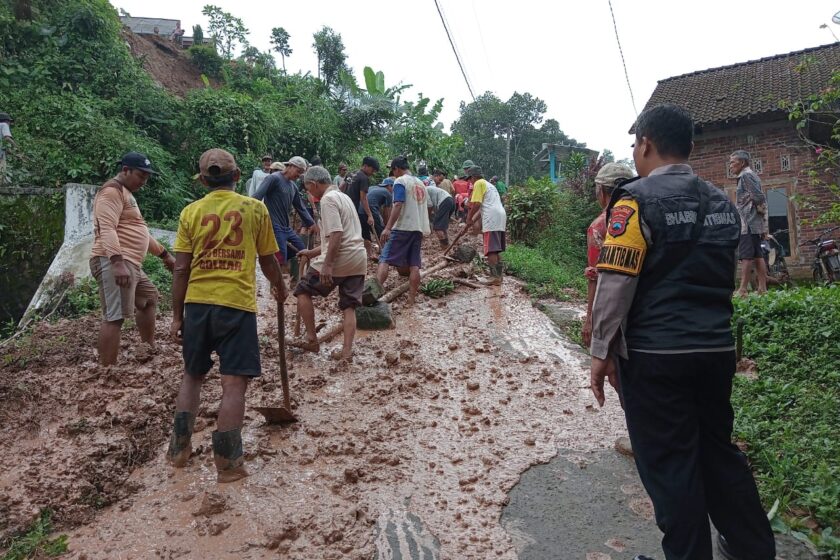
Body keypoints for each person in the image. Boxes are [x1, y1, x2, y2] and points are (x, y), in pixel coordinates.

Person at [589, 104, 775, 560]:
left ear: (646, 144)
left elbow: (616, 282)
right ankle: (754, 549)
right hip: (715, 351)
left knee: (672, 466)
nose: (634, 153)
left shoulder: (633, 203)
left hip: (657, 357)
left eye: (635, 144)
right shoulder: (720, 202)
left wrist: (601, 350)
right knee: (717, 452)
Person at [167, 148, 285, 483]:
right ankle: (228, 465)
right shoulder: (253, 208)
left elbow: (180, 270)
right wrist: (280, 286)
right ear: (237, 176)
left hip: (197, 305)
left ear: (203, 180)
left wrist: (177, 317)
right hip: (236, 306)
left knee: (192, 375)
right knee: (233, 384)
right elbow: (267, 260)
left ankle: (178, 451)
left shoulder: (191, 212)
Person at [89, 152, 175, 365]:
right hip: (116, 260)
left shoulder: (126, 193)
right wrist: (117, 263)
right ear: (125, 170)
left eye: (147, 177)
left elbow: (140, 231)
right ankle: (106, 370)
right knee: (114, 317)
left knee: (149, 298)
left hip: (130, 262)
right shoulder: (111, 191)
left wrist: (164, 255)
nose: (143, 182)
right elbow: (107, 228)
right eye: (140, 175)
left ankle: (147, 348)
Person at [292, 166, 367, 360]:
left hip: (341, 257)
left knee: (302, 290)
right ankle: (347, 352)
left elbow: (337, 234)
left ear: (314, 184)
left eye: (308, 188)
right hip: (358, 258)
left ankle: (311, 339)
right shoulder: (344, 197)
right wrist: (311, 252)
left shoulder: (327, 200)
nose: (308, 192)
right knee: (349, 306)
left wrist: (327, 264)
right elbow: (337, 237)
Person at [581, 163, 635, 348]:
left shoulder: (600, 226)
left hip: (612, 311)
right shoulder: (645, 216)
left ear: (602, 192)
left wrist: (590, 319)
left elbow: (595, 277)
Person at [376, 156, 430, 305]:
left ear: (396, 169)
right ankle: (411, 300)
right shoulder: (420, 183)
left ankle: (373, 297)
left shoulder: (400, 181)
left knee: (385, 258)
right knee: (414, 264)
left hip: (403, 227)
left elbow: (398, 204)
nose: (394, 175)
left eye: (393, 171)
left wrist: (387, 228)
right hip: (417, 228)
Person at [252, 155, 318, 268]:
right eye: (299, 171)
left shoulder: (293, 186)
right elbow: (256, 198)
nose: (299, 175)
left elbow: (300, 207)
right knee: (280, 258)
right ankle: (276, 284)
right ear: (291, 166)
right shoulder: (273, 178)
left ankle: (293, 279)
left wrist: (311, 223)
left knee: (302, 250)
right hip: (274, 226)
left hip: (286, 227)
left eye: (301, 173)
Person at [730, 150, 768, 296]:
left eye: (733, 162)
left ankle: (743, 289)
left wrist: (755, 216)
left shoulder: (746, 175)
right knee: (758, 255)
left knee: (746, 256)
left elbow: (758, 197)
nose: (731, 166)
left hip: (748, 222)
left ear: (742, 163)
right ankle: (762, 288)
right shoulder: (749, 175)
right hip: (753, 222)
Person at [464, 166, 507, 285]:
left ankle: (494, 277)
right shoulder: (490, 185)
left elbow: (476, 204)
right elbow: (481, 209)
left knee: (491, 249)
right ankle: (499, 276)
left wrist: (468, 218)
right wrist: (471, 220)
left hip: (491, 218)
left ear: (473, 177)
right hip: (500, 215)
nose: (470, 182)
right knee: (496, 249)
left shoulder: (478, 183)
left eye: (469, 179)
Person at [345, 156, 380, 259]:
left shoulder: (351, 173)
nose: (373, 172)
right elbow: (363, 198)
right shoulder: (364, 178)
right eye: (372, 170)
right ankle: (365, 254)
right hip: (353, 209)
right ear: (365, 166)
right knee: (361, 231)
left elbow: (342, 187)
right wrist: (370, 215)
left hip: (344, 206)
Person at [426, 180, 455, 248]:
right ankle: (446, 244)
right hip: (450, 200)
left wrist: (427, 217)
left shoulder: (424, 190)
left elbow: (430, 206)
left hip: (445, 201)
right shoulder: (428, 189)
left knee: (437, 227)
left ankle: (445, 246)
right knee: (442, 226)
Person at [0, 112, 14, 179]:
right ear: (6, 120)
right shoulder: (4, 125)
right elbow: (7, 138)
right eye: (9, 122)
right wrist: (16, 146)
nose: (9, 124)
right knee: (2, 173)